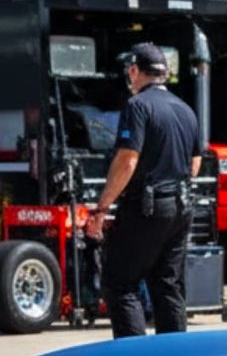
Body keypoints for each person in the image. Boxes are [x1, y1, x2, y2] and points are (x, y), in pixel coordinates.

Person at [85, 42, 202, 339]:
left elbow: (127, 160)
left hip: (147, 207)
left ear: (135, 70)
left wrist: (102, 207)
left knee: (119, 283)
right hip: (181, 205)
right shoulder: (185, 109)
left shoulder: (138, 106)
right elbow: (195, 163)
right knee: (166, 283)